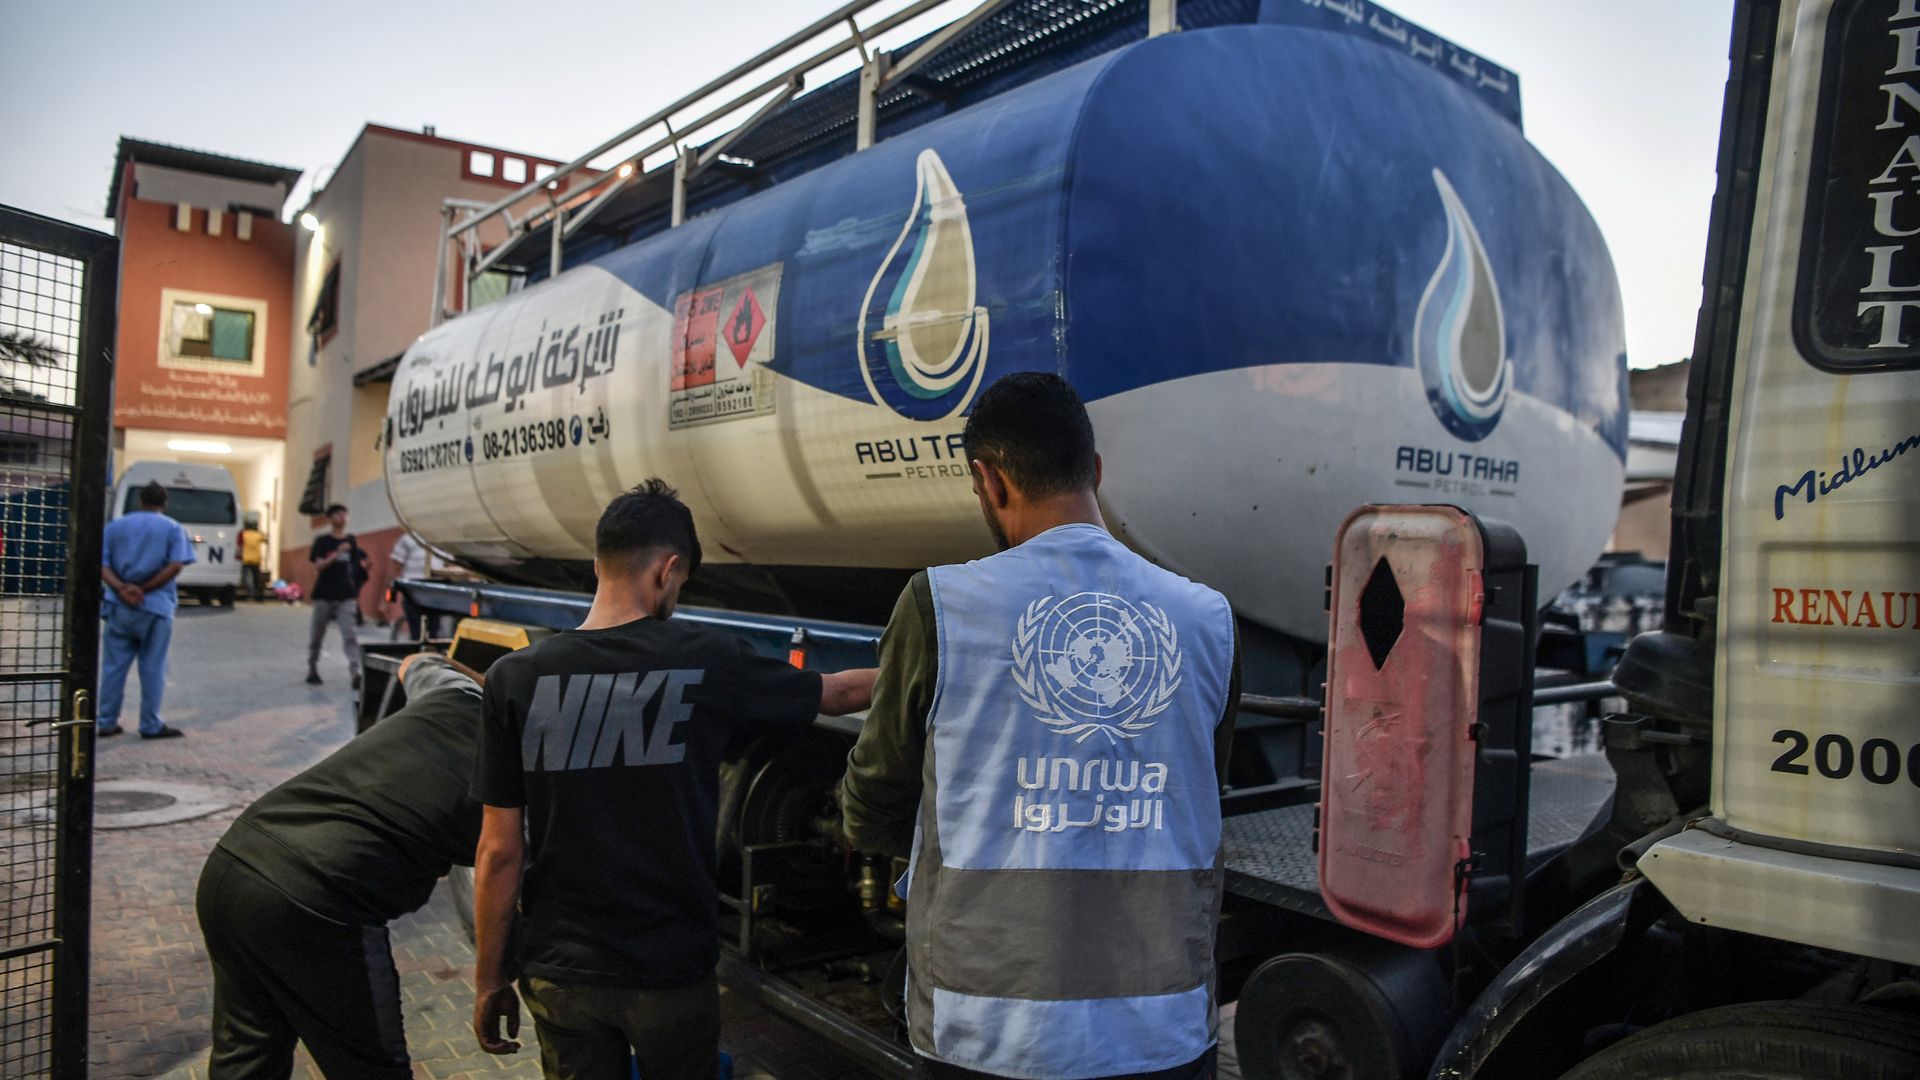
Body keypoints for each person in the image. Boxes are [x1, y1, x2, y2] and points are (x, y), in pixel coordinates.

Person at [837, 373, 1242, 1080]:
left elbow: (871, 804)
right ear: (1096, 472)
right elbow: (1201, 791)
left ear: (989, 481)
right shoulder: (1208, 618)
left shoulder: (941, 605)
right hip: (1162, 1028)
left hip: (987, 1032)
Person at [470, 479, 877, 1080]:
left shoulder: (514, 679)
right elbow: (836, 693)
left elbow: (499, 852)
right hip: (669, 968)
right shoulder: (706, 657)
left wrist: (489, 980)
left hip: (561, 969)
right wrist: (928, 665)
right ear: (669, 569)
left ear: (598, 564)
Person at [197, 652, 488, 1079]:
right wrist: (495, 980)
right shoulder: (521, 772)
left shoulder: (457, 692)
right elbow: (501, 880)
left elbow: (417, 660)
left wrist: (488, 684)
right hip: (318, 901)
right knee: (372, 1070)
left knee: (247, 1055)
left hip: (233, 862)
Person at [98, 480, 195, 739]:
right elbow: (175, 565)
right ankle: (150, 724)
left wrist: (122, 589)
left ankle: (106, 721)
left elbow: (102, 565)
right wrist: (144, 589)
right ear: (164, 503)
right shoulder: (173, 528)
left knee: (113, 667)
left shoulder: (115, 527)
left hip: (119, 606)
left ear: (140, 501)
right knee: (153, 667)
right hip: (156, 607)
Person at [307, 503, 368, 688]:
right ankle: (312, 668)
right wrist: (337, 554)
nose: (342, 517)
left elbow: (357, 564)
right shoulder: (322, 541)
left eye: (345, 514)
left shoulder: (351, 541)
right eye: (338, 514)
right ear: (329, 518)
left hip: (346, 595)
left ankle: (355, 672)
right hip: (324, 594)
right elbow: (318, 566)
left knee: (350, 634)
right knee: (317, 634)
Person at [387, 530, 430, 641]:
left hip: (436, 592)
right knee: (416, 629)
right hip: (413, 591)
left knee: (433, 630)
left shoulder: (440, 540)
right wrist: (390, 595)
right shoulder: (407, 539)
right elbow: (395, 569)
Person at [238, 516, 267, 603]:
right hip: (256, 559)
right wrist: (261, 531)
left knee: (247, 578)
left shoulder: (243, 534)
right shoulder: (258, 535)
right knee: (256, 578)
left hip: (245, 559)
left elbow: (239, 544)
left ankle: (251, 595)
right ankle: (257, 595)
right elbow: (266, 539)